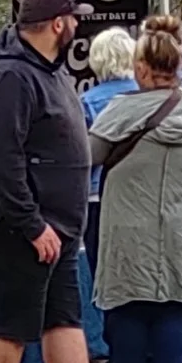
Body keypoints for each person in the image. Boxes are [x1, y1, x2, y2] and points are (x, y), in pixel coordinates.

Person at [0, 0, 144, 363]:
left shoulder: (49, 70)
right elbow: (2, 159)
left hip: (59, 227)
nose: (78, 25)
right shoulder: (10, 76)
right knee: (14, 324)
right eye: (74, 17)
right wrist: (30, 223)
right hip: (19, 228)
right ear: (58, 24)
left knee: (64, 319)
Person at [88, 16, 182, 363]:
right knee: (174, 306)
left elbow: (90, 157)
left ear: (141, 68)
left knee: (128, 306)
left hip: (130, 222)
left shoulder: (118, 112)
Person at [79, 25, 139, 266]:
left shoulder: (86, 102)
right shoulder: (150, 96)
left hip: (98, 195)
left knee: (102, 272)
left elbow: (81, 155)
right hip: (142, 194)